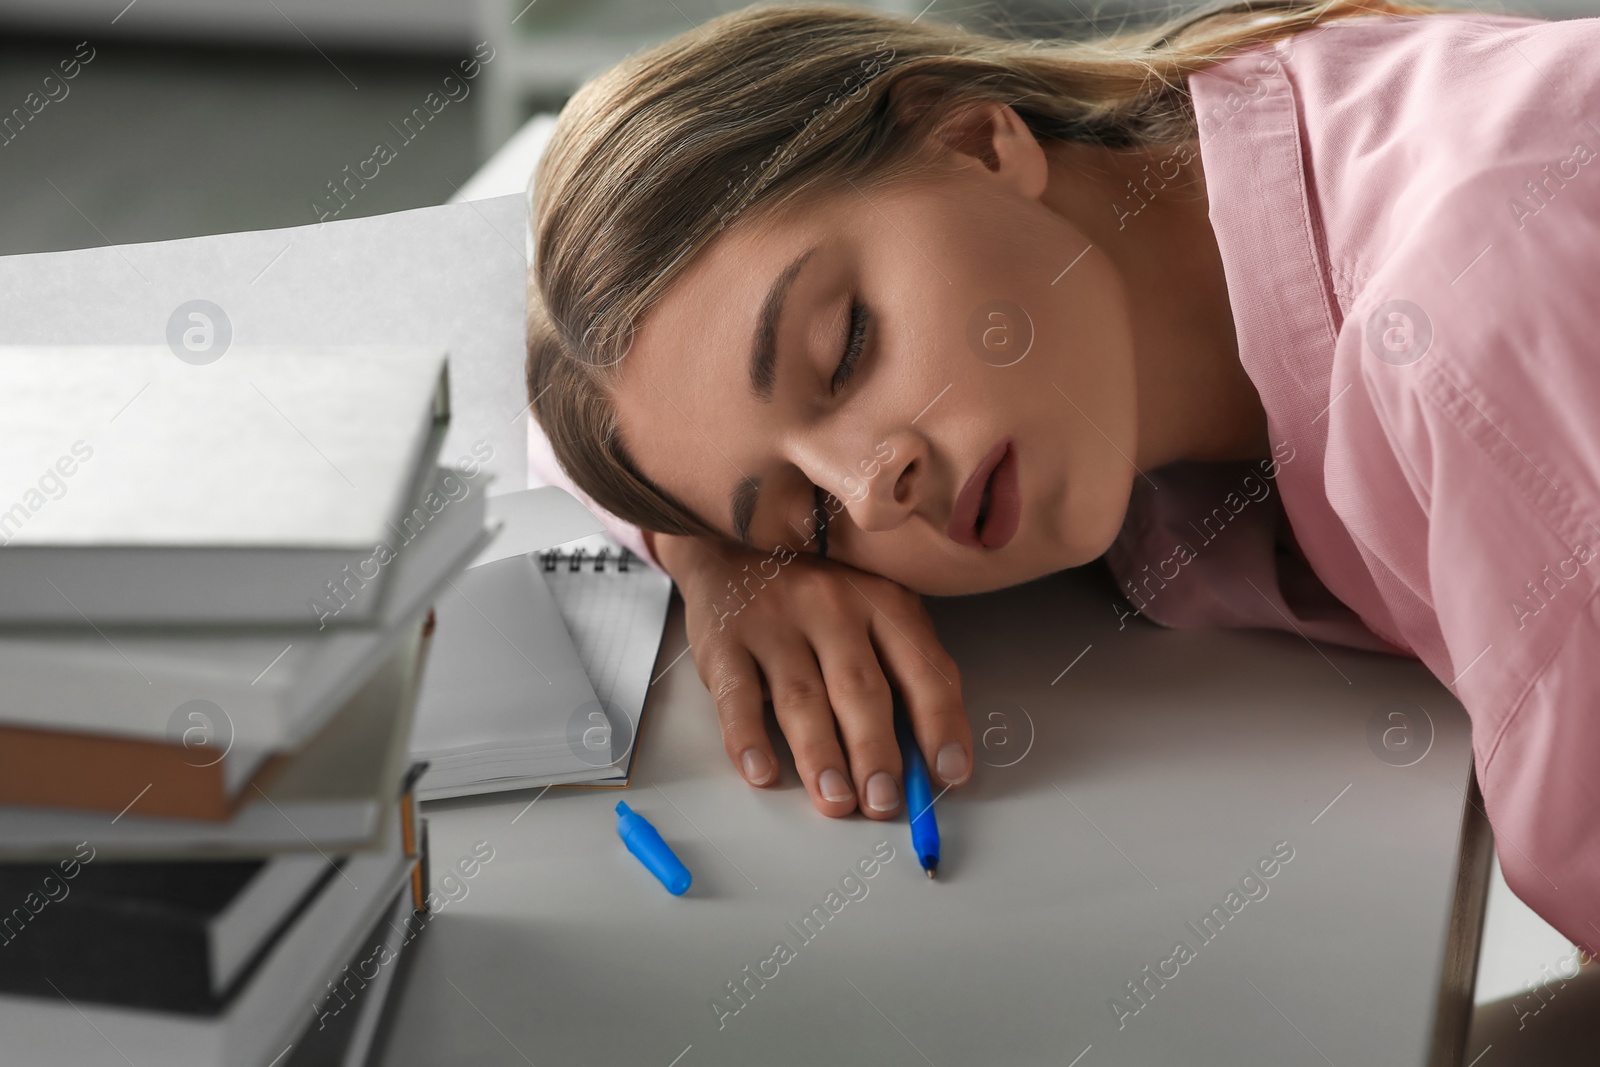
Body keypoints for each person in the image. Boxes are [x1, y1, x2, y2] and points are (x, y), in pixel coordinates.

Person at [522, 0, 1600, 957]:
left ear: (978, 140)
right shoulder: (1188, 183)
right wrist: (713, 559)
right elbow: (569, 369)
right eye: (807, 518)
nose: (869, 487)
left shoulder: (1456, 343)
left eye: (846, 347)